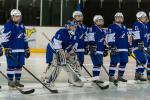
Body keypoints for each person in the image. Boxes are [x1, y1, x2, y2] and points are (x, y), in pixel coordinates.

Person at [43, 21, 84, 91]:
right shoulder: (61, 32)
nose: (74, 28)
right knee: (57, 63)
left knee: (74, 61)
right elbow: (57, 45)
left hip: (64, 50)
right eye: (72, 26)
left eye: (75, 26)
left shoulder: (76, 34)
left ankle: (73, 80)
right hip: (53, 49)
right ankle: (48, 81)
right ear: (68, 26)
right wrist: (61, 53)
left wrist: (71, 53)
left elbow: (74, 45)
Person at [1, 9, 30, 88]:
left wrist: (26, 48)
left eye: (19, 16)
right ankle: (10, 81)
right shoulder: (8, 25)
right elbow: (3, 38)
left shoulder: (22, 25)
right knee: (11, 66)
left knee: (19, 66)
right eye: (16, 16)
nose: (18, 18)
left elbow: (25, 37)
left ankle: (17, 81)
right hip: (11, 49)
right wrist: (7, 48)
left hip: (21, 49)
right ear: (12, 17)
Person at [86, 15, 108, 84]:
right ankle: (95, 78)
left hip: (100, 49)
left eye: (101, 20)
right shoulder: (92, 28)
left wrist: (105, 48)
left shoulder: (103, 30)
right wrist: (91, 46)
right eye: (98, 20)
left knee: (99, 64)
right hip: (94, 49)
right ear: (95, 22)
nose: (100, 22)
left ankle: (96, 77)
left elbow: (104, 40)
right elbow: (89, 38)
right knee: (97, 63)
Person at [107, 12, 129, 83]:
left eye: (121, 17)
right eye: (117, 17)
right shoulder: (112, 26)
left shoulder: (124, 27)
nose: (119, 18)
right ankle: (111, 76)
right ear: (115, 18)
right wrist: (112, 45)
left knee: (123, 62)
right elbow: (110, 36)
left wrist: (129, 47)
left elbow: (127, 38)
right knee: (114, 62)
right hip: (116, 48)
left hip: (124, 48)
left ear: (123, 19)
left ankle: (120, 76)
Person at [132, 11, 148, 82]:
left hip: (142, 46)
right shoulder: (137, 24)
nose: (144, 18)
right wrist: (140, 43)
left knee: (139, 62)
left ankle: (137, 75)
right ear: (139, 18)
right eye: (143, 17)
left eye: (145, 17)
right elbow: (136, 34)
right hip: (137, 46)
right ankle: (140, 74)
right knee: (143, 60)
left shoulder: (144, 25)